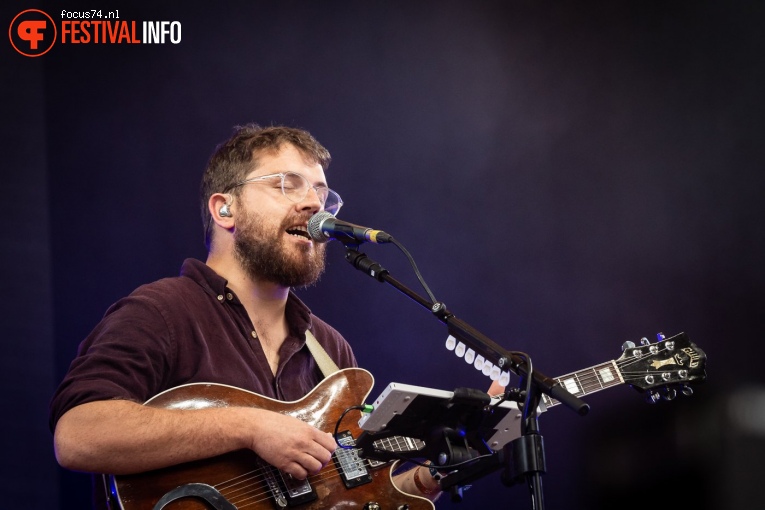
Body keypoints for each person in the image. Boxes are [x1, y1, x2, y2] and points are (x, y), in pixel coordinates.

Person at [49, 124, 442, 508]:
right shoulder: (160, 312)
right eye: (286, 184)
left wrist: (432, 475)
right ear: (224, 209)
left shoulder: (330, 349)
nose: (313, 204)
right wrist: (250, 427)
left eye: (321, 192)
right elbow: (79, 435)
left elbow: (344, 489)